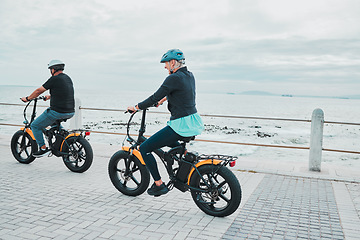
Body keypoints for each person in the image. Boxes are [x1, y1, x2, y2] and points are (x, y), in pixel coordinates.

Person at [127, 49, 204, 196]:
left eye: (166, 64)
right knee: (166, 141)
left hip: (181, 124)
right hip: (193, 121)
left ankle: (159, 184)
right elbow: (182, 93)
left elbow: (154, 97)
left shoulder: (173, 78)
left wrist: (136, 107)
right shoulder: (189, 75)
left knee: (144, 148)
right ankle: (185, 155)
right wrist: (163, 100)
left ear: (173, 62)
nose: (165, 67)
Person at [21, 60, 75, 157]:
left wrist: (28, 98)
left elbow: (38, 91)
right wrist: (49, 96)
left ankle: (43, 149)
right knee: (52, 122)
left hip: (57, 112)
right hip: (70, 112)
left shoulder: (54, 79)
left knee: (35, 125)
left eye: (50, 69)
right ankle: (62, 132)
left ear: (53, 69)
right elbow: (63, 91)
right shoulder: (67, 78)